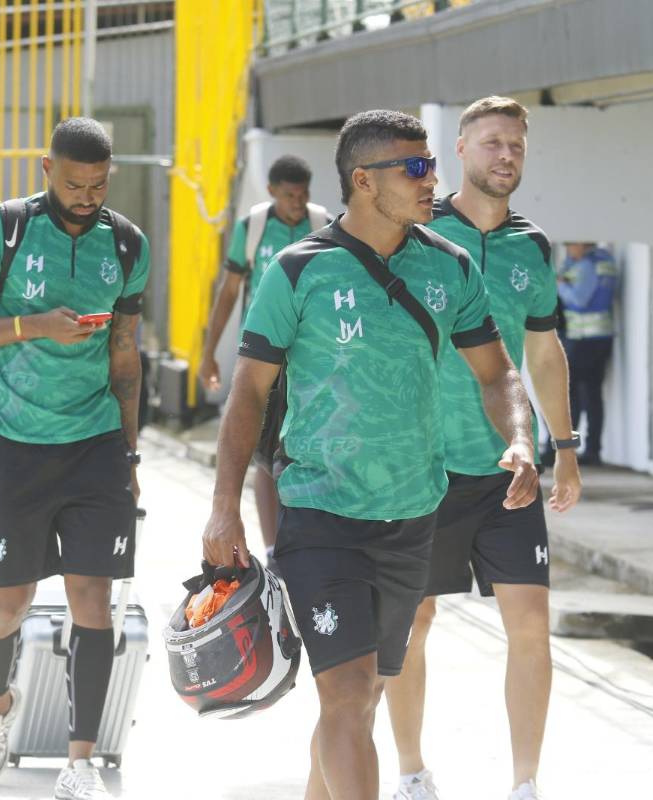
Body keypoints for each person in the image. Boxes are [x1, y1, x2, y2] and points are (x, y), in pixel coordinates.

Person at [201, 110, 539, 800]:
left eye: (431, 165)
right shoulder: (298, 273)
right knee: (349, 696)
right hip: (321, 515)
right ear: (363, 180)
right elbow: (249, 395)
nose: (432, 179)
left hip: (413, 515)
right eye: (414, 167)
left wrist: (521, 437)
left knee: (361, 698)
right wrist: (223, 509)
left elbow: (497, 372)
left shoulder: (451, 266)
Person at [0, 117, 148, 800]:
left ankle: (79, 760)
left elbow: (125, 353)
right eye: (72, 183)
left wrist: (130, 446)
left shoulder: (125, 244)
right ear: (45, 170)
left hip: (92, 444)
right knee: (8, 604)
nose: (85, 196)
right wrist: (32, 324)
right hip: (15, 440)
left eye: (97, 184)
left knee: (93, 601)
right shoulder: (2, 229)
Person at [381, 97, 582, 800]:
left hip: (510, 466)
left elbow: (544, 350)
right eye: (492, 143)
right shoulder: (416, 230)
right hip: (422, 469)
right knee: (414, 622)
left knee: (531, 623)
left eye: (516, 146)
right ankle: (411, 771)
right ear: (459, 149)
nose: (506, 156)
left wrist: (566, 446)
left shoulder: (532, 245)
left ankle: (526, 784)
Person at [200, 154, 331, 573]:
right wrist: (209, 354)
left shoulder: (321, 225)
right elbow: (229, 291)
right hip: (265, 358)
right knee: (264, 452)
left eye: (304, 193)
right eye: (290, 194)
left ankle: (311, 536)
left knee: (304, 445)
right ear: (272, 191)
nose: (298, 201)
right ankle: (275, 549)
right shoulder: (253, 228)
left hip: (309, 359)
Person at [556, 242, 617, 465]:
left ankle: (566, 449)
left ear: (582, 243)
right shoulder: (604, 261)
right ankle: (592, 449)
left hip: (583, 339)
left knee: (568, 392)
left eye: (570, 244)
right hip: (600, 337)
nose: (568, 249)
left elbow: (579, 300)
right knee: (592, 394)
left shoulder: (586, 266)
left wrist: (560, 284)